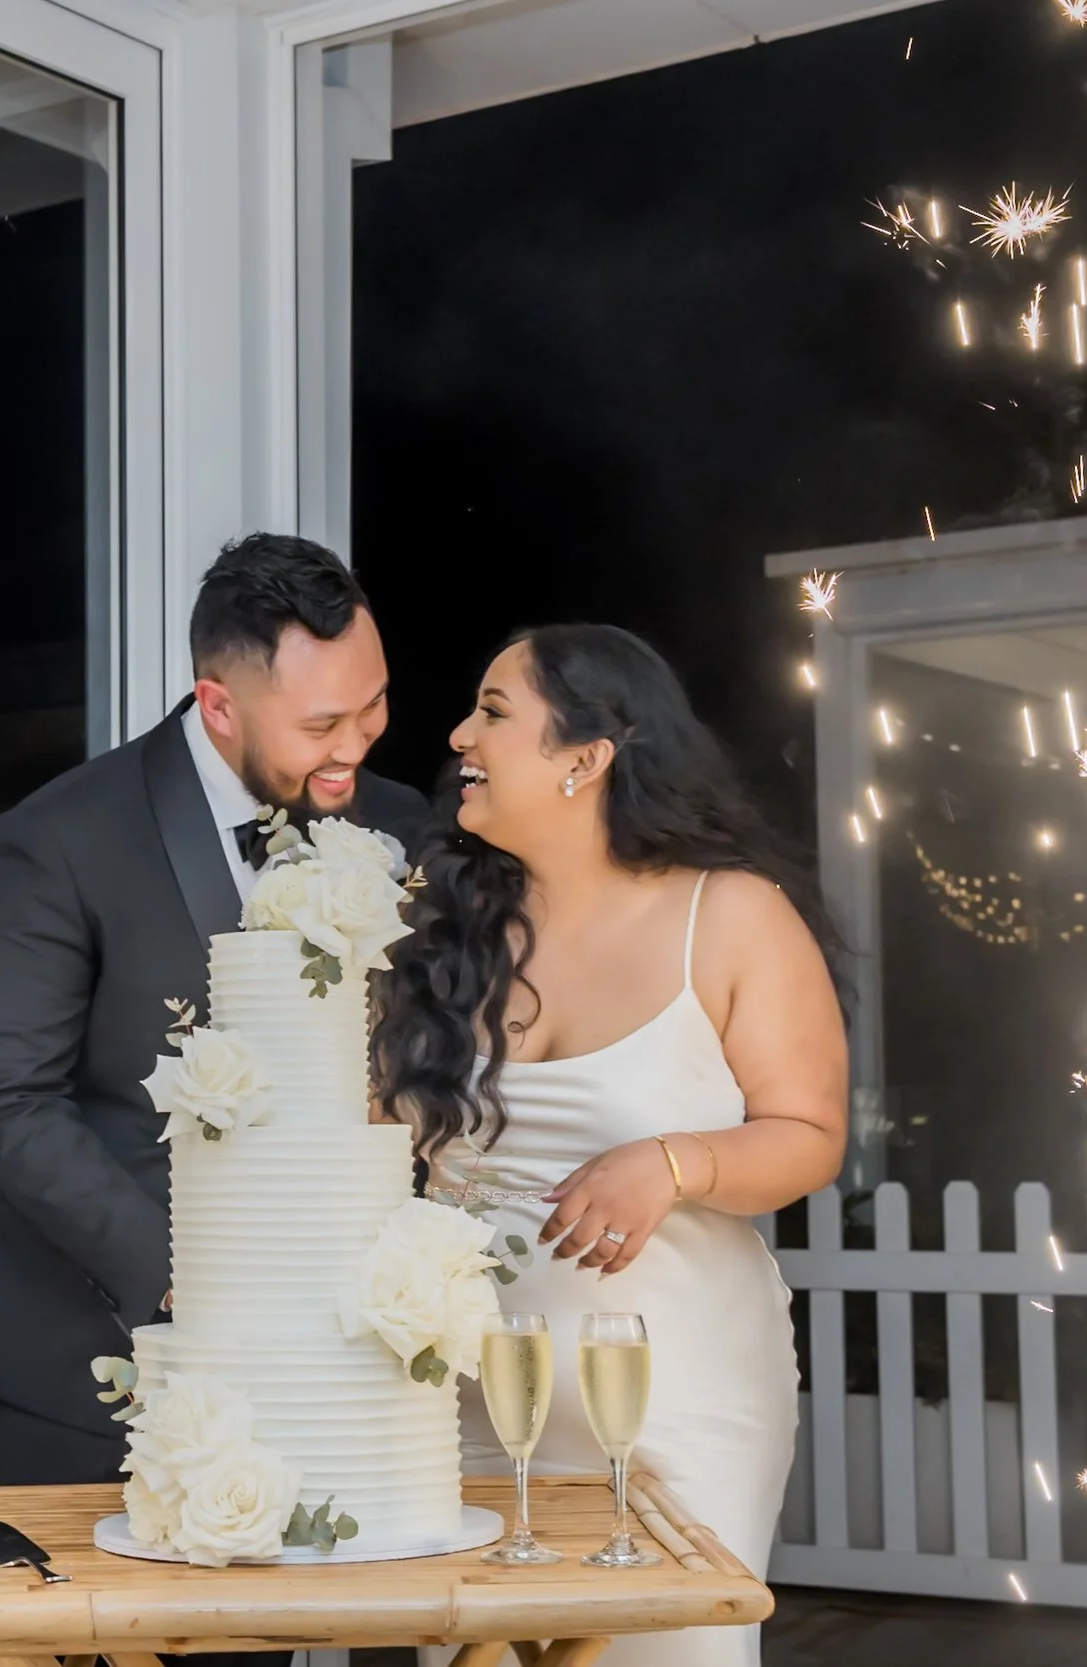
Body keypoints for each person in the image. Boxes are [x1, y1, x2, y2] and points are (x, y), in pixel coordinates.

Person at [374, 624, 846, 1667]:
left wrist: (674, 1162)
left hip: (671, 1392)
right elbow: (363, 1154)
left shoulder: (727, 915)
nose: (457, 733)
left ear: (585, 756)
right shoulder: (434, 935)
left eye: (493, 711)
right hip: (469, 1403)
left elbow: (808, 1134)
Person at [0, 532, 432, 1488]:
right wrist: (178, 1273)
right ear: (217, 703)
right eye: (322, 722)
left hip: (320, 1363)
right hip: (86, 1360)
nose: (355, 747)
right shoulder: (57, 839)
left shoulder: (399, 824)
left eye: (373, 706)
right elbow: (8, 1099)